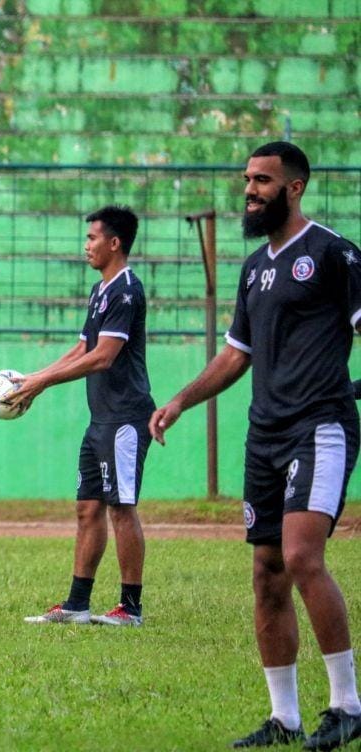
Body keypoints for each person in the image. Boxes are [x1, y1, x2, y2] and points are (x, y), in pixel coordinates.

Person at [150, 142, 361, 750]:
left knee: (301, 557)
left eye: (262, 180)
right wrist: (183, 399)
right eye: (247, 179)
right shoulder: (254, 267)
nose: (250, 189)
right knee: (267, 573)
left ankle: (348, 704)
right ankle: (284, 719)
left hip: (319, 426)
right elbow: (236, 354)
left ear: (294, 188)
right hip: (264, 433)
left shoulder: (332, 252)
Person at [11, 205, 155, 627]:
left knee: (120, 508)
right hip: (100, 421)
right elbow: (81, 349)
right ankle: (77, 603)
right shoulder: (101, 290)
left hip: (125, 418)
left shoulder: (127, 290)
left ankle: (130, 607)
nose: (86, 246)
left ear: (114, 243)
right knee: (87, 509)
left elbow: (103, 357)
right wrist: (33, 378)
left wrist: (43, 383)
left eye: (92, 238)